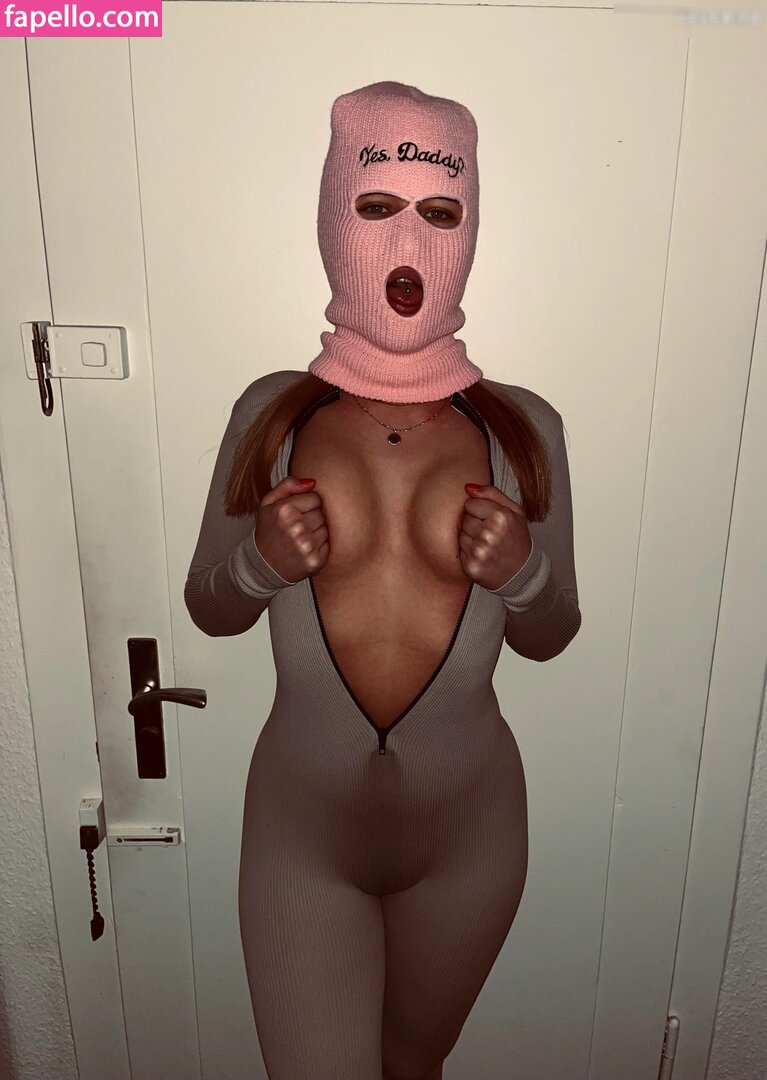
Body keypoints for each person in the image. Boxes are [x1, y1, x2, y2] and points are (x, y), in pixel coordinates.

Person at [185, 80, 581, 1080]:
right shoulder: (271, 413)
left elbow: (551, 634)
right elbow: (208, 608)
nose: (408, 240)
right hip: (302, 839)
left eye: (440, 213)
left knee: (413, 1070)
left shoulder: (524, 428)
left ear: (468, 233)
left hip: (470, 841)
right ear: (334, 219)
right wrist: (259, 564)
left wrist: (524, 576)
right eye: (376, 206)